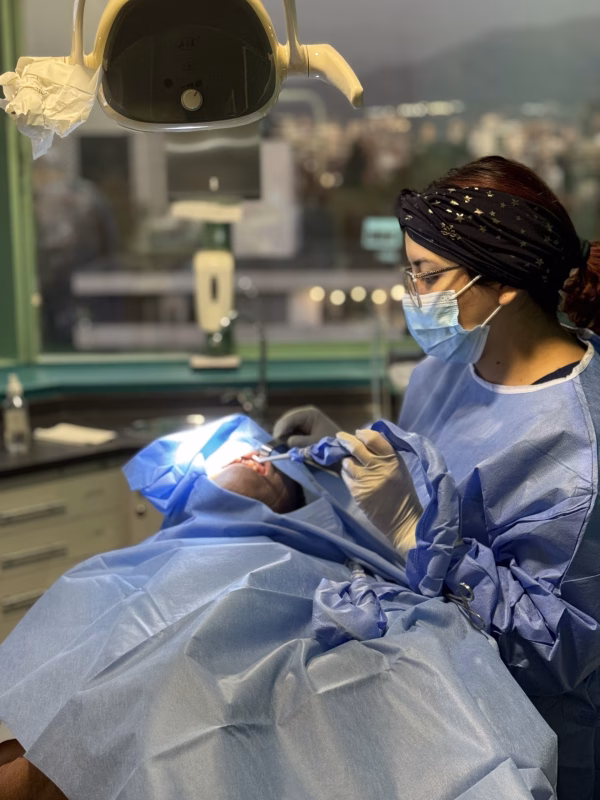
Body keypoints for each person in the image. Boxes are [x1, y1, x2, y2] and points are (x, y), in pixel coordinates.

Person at [0, 415, 556, 800]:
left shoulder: (336, 533)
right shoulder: (148, 559)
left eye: (259, 454)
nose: (254, 456)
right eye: (227, 457)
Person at [274, 156, 600, 800]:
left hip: (519, 743)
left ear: (502, 283)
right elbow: (423, 488)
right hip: (424, 684)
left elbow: (554, 652)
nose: (412, 294)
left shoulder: (578, 449)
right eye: (410, 272)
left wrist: (420, 534)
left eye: (427, 274)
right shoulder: (445, 371)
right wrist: (331, 471)